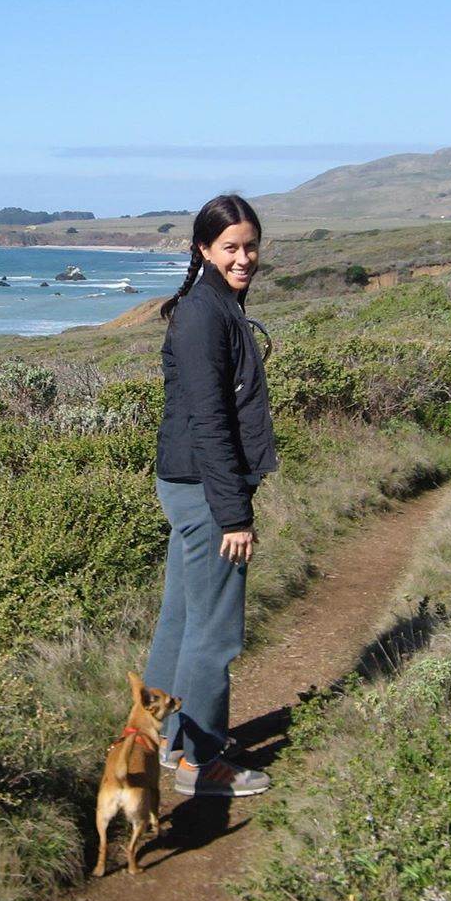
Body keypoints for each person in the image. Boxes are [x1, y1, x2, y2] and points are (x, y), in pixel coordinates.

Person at [144, 193, 278, 798]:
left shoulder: (215, 305)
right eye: (230, 248)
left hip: (189, 486)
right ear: (203, 249)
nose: (243, 257)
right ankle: (201, 764)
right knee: (215, 632)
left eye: (250, 246)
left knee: (181, 618)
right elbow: (210, 423)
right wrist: (234, 515)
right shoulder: (204, 314)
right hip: (205, 493)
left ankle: (160, 741)